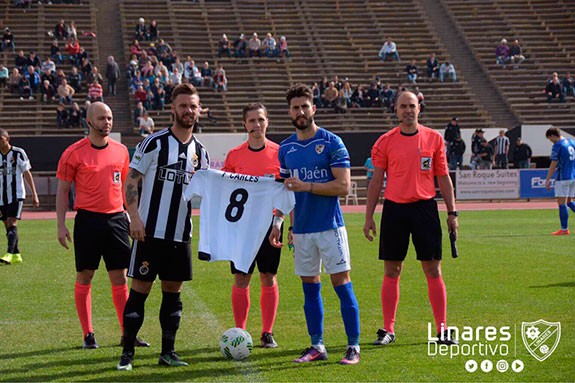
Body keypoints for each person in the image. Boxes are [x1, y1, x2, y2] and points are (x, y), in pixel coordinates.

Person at [117, 83, 210, 371]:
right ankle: (127, 354)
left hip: (180, 235)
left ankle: (167, 352)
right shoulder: (154, 143)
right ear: (173, 108)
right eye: (183, 105)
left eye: (193, 106)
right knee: (140, 291)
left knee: (173, 293)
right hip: (149, 232)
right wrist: (133, 215)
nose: (188, 111)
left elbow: (207, 193)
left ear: (199, 110)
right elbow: (131, 179)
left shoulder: (201, 152)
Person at [270, 83, 361, 365]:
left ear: (314, 108)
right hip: (303, 230)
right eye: (295, 107)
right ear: (289, 112)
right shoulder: (286, 148)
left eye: (304, 106)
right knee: (309, 286)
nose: (300, 111)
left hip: (330, 226)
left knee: (341, 283)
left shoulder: (332, 142)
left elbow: (343, 186)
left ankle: (353, 346)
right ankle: (317, 345)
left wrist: (307, 185)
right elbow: (285, 190)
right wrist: (279, 221)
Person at [363, 91, 459, 349]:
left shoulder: (434, 138)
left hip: (425, 209)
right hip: (394, 210)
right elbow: (376, 181)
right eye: (403, 106)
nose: (408, 110)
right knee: (392, 270)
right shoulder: (385, 142)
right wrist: (369, 215)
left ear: (419, 109)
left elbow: (443, 178)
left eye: (412, 106)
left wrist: (452, 213)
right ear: (395, 110)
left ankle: (442, 329)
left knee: (433, 269)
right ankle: (388, 329)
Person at [55, 102, 149, 349]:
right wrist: (60, 225)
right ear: (88, 121)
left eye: (109, 118)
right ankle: (88, 334)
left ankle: (126, 333)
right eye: (101, 118)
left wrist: (132, 217)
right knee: (85, 275)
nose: (106, 122)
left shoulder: (120, 151)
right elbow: (63, 191)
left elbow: (128, 188)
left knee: (120, 277)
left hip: (117, 220)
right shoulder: (73, 153)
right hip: (88, 220)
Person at [219, 102, 284, 349]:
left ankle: (267, 332)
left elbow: (285, 192)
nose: (257, 125)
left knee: (268, 276)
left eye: (261, 120)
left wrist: (280, 221)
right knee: (241, 277)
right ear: (244, 124)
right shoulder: (234, 156)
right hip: (242, 227)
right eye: (252, 121)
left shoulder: (280, 152)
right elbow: (224, 190)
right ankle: (240, 331)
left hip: (271, 225)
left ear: (267, 121)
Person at [0, 129, 39, 265]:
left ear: (7, 138)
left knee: (12, 222)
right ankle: (16, 254)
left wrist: (34, 194)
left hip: (16, 195)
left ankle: (9, 254)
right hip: (1, 197)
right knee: (7, 225)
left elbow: (27, 173)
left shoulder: (18, 153)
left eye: (1, 139)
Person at [544, 127, 575, 236]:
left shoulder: (557, 145)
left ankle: (564, 229)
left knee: (561, 203)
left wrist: (548, 179)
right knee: (569, 202)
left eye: (549, 139)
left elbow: (554, 163)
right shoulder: (572, 142)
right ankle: (564, 229)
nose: (550, 141)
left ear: (552, 136)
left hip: (563, 177)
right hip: (573, 176)